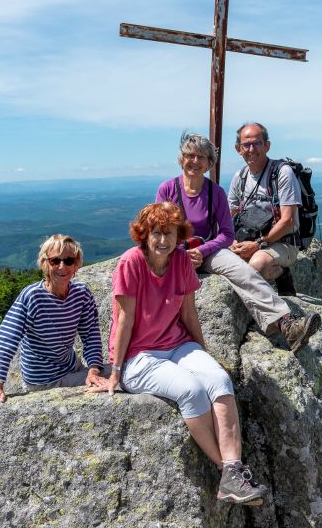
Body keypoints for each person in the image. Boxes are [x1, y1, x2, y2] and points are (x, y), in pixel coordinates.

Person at [89, 202, 268, 506]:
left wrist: (203, 351)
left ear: (178, 235)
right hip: (139, 356)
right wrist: (115, 372)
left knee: (219, 380)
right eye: (156, 233)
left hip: (177, 345)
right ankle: (226, 472)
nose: (163, 240)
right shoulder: (131, 263)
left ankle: (234, 471)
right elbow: (124, 320)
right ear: (144, 236)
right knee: (191, 390)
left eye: (169, 233)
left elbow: (188, 312)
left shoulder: (182, 261)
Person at [156, 131, 320, 353]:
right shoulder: (167, 190)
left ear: (209, 163)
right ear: (181, 158)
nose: (195, 161)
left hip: (206, 252)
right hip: (173, 254)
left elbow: (226, 234)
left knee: (242, 271)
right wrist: (178, 254)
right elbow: (160, 231)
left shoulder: (215, 193)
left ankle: (287, 324)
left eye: (201, 157)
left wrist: (202, 251)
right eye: (190, 155)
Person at [0, 234, 109, 414]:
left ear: (76, 264)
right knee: (122, 375)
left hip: (69, 365)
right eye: (55, 261)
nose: (62, 266)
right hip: (45, 380)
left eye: (69, 261)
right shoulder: (32, 297)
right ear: (45, 263)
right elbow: (5, 340)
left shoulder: (81, 293)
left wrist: (93, 369)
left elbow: (90, 335)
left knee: (113, 371)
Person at [227, 122, 305, 288]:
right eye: (246, 144)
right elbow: (229, 215)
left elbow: (288, 221)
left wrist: (258, 244)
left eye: (257, 143)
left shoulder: (282, 173)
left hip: (283, 242)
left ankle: (281, 273)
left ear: (267, 146)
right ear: (238, 149)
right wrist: (231, 240)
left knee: (256, 266)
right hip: (246, 240)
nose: (251, 149)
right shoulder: (240, 177)